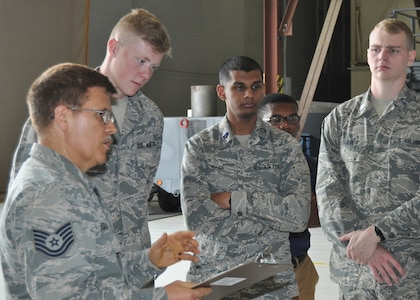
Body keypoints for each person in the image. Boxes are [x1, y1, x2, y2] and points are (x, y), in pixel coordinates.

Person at [0, 63, 211, 299]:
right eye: (102, 115)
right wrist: (162, 297)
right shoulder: (48, 194)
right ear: (63, 117)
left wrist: (149, 260)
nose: (111, 128)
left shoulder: (67, 182)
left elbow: (97, 279)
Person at [9, 8, 172, 291]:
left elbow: (142, 192)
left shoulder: (150, 117)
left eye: (153, 67)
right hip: (74, 267)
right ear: (113, 47)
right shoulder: (63, 108)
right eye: (141, 60)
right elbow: (23, 197)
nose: (146, 74)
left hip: (135, 267)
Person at [181, 55, 312, 299]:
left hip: (270, 283)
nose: (249, 94)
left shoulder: (285, 148)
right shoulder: (199, 148)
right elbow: (197, 220)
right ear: (222, 92)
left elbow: (298, 217)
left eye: (255, 86)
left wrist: (235, 200)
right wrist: (269, 217)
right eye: (239, 87)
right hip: (215, 279)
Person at [316, 18, 419, 299]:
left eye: (393, 50)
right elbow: (328, 193)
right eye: (375, 49)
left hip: (411, 272)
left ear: (411, 56)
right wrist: (364, 248)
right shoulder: (339, 120)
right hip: (356, 274)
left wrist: (378, 233)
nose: (382, 57)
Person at [259, 93, 319, 300]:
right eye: (275, 119)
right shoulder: (244, 167)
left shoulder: (310, 166)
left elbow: (322, 214)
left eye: (292, 118)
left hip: (299, 269)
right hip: (258, 272)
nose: (285, 125)